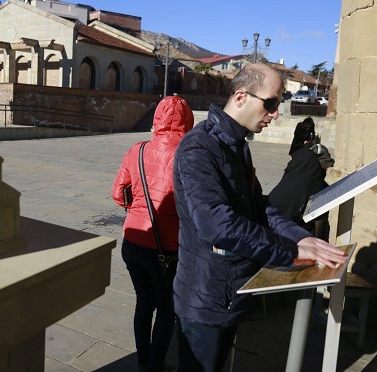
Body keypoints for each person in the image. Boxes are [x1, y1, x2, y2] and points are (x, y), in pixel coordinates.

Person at [172, 63, 345, 371]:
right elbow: (217, 224)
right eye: (271, 103)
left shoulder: (237, 145)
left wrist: (300, 237)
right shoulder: (198, 148)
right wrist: (290, 251)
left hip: (231, 293)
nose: (276, 113)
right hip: (206, 300)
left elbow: (259, 207)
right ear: (240, 97)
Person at [112, 95, 194, 372]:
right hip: (167, 249)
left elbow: (118, 193)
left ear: (157, 118)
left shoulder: (137, 149)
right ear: (188, 120)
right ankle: (154, 366)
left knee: (143, 301)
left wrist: (136, 209)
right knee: (166, 309)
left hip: (133, 241)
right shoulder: (190, 154)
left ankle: (142, 359)